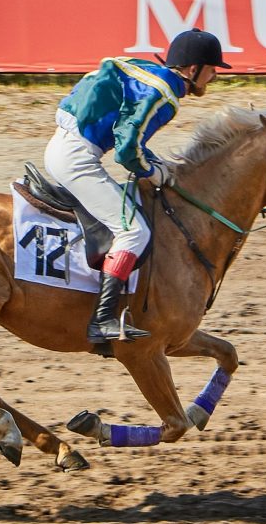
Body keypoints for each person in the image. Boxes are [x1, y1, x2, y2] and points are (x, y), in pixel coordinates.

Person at [43, 28, 231, 348]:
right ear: (192, 69)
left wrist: (153, 163)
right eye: (212, 69)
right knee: (135, 232)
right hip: (76, 160)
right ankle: (102, 320)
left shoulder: (147, 73)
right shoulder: (167, 94)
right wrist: (152, 172)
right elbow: (127, 149)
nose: (214, 77)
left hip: (65, 146)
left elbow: (127, 131)